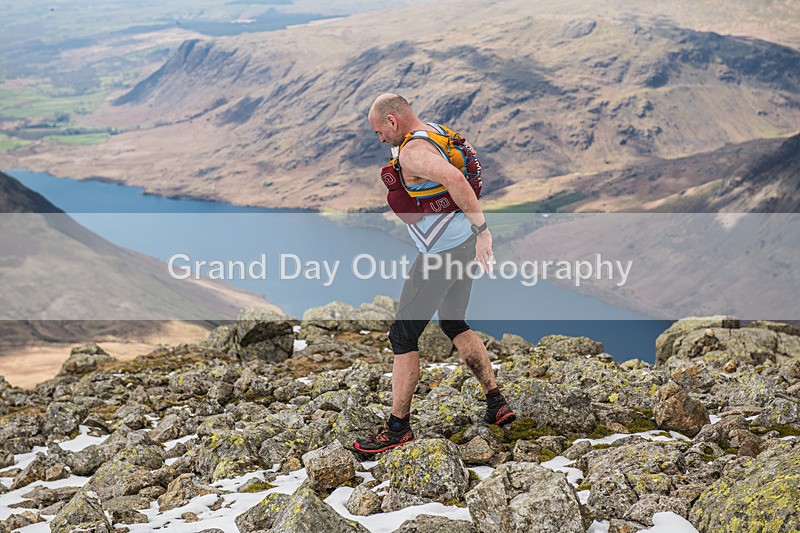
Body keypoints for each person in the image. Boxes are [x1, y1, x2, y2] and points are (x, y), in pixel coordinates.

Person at [353, 93, 516, 455]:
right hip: (462, 248)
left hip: (440, 254)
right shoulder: (434, 131)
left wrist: (484, 231)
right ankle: (496, 402)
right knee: (454, 322)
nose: (379, 139)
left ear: (393, 122)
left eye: (379, 131)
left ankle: (398, 428)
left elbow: (456, 179)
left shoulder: (413, 152)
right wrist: (476, 236)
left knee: (402, 335)